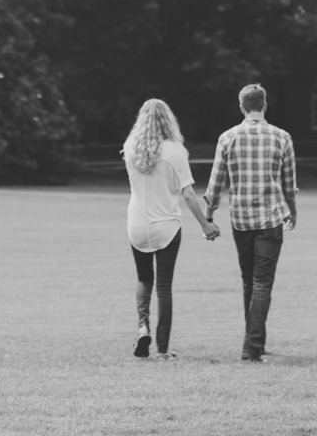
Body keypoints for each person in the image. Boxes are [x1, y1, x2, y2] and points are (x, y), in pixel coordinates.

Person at [202, 82, 297, 362]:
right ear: (265, 105)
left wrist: (209, 216)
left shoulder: (227, 137)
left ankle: (254, 341)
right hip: (270, 218)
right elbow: (289, 185)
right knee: (262, 282)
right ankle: (252, 346)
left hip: (241, 219)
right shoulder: (282, 136)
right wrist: (293, 211)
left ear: (242, 107)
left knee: (249, 281)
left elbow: (215, 182)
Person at [123, 98, 218, 359]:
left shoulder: (130, 147)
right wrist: (205, 224)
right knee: (164, 286)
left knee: (144, 279)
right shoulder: (175, 150)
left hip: (137, 224)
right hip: (166, 225)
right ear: (168, 120)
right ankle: (162, 349)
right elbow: (187, 194)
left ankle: (143, 327)